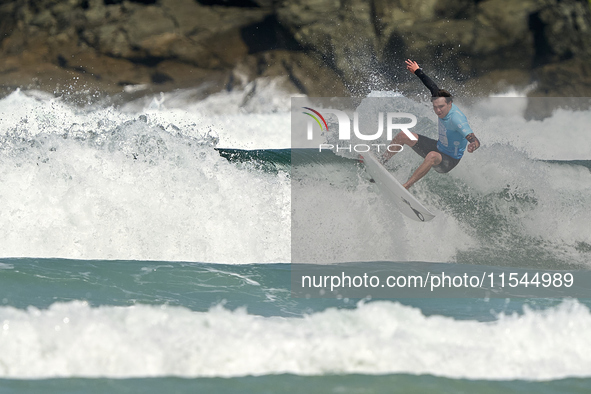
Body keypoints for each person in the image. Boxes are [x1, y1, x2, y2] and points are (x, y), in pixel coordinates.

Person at [382, 59, 480, 189]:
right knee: (403, 135)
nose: (438, 110)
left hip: (449, 160)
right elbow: (432, 86)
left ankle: (405, 186)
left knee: (432, 156)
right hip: (439, 147)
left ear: (450, 103)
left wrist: (474, 145)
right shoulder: (440, 98)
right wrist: (417, 70)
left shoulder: (456, 119)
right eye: (435, 107)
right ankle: (382, 162)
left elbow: (474, 139)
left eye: (441, 107)